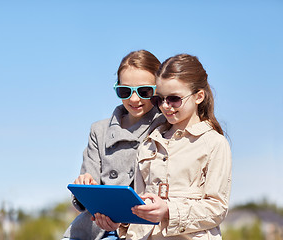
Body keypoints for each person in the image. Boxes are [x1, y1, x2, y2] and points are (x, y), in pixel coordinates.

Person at [94, 54, 232, 240]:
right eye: (159, 100)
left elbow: (217, 208)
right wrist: (119, 221)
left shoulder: (214, 144)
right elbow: (140, 201)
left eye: (174, 99)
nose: (166, 106)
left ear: (199, 96)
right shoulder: (149, 142)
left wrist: (168, 211)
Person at [63, 50, 166, 240]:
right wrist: (84, 186)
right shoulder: (99, 131)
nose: (134, 99)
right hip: (94, 229)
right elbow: (88, 192)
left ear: (158, 89)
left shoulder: (166, 126)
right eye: (125, 91)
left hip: (140, 231)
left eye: (144, 91)